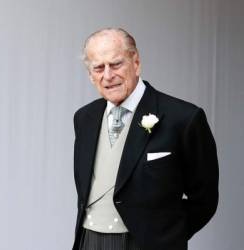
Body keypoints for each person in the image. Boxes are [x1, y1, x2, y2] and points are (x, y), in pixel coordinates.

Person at [72, 28, 219, 250]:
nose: (108, 75)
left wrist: (166, 236)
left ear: (136, 62)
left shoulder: (184, 118)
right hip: (89, 241)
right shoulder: (84, 118)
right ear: (91, 75)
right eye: (99, 68)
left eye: (116, 64)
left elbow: (205, 199)